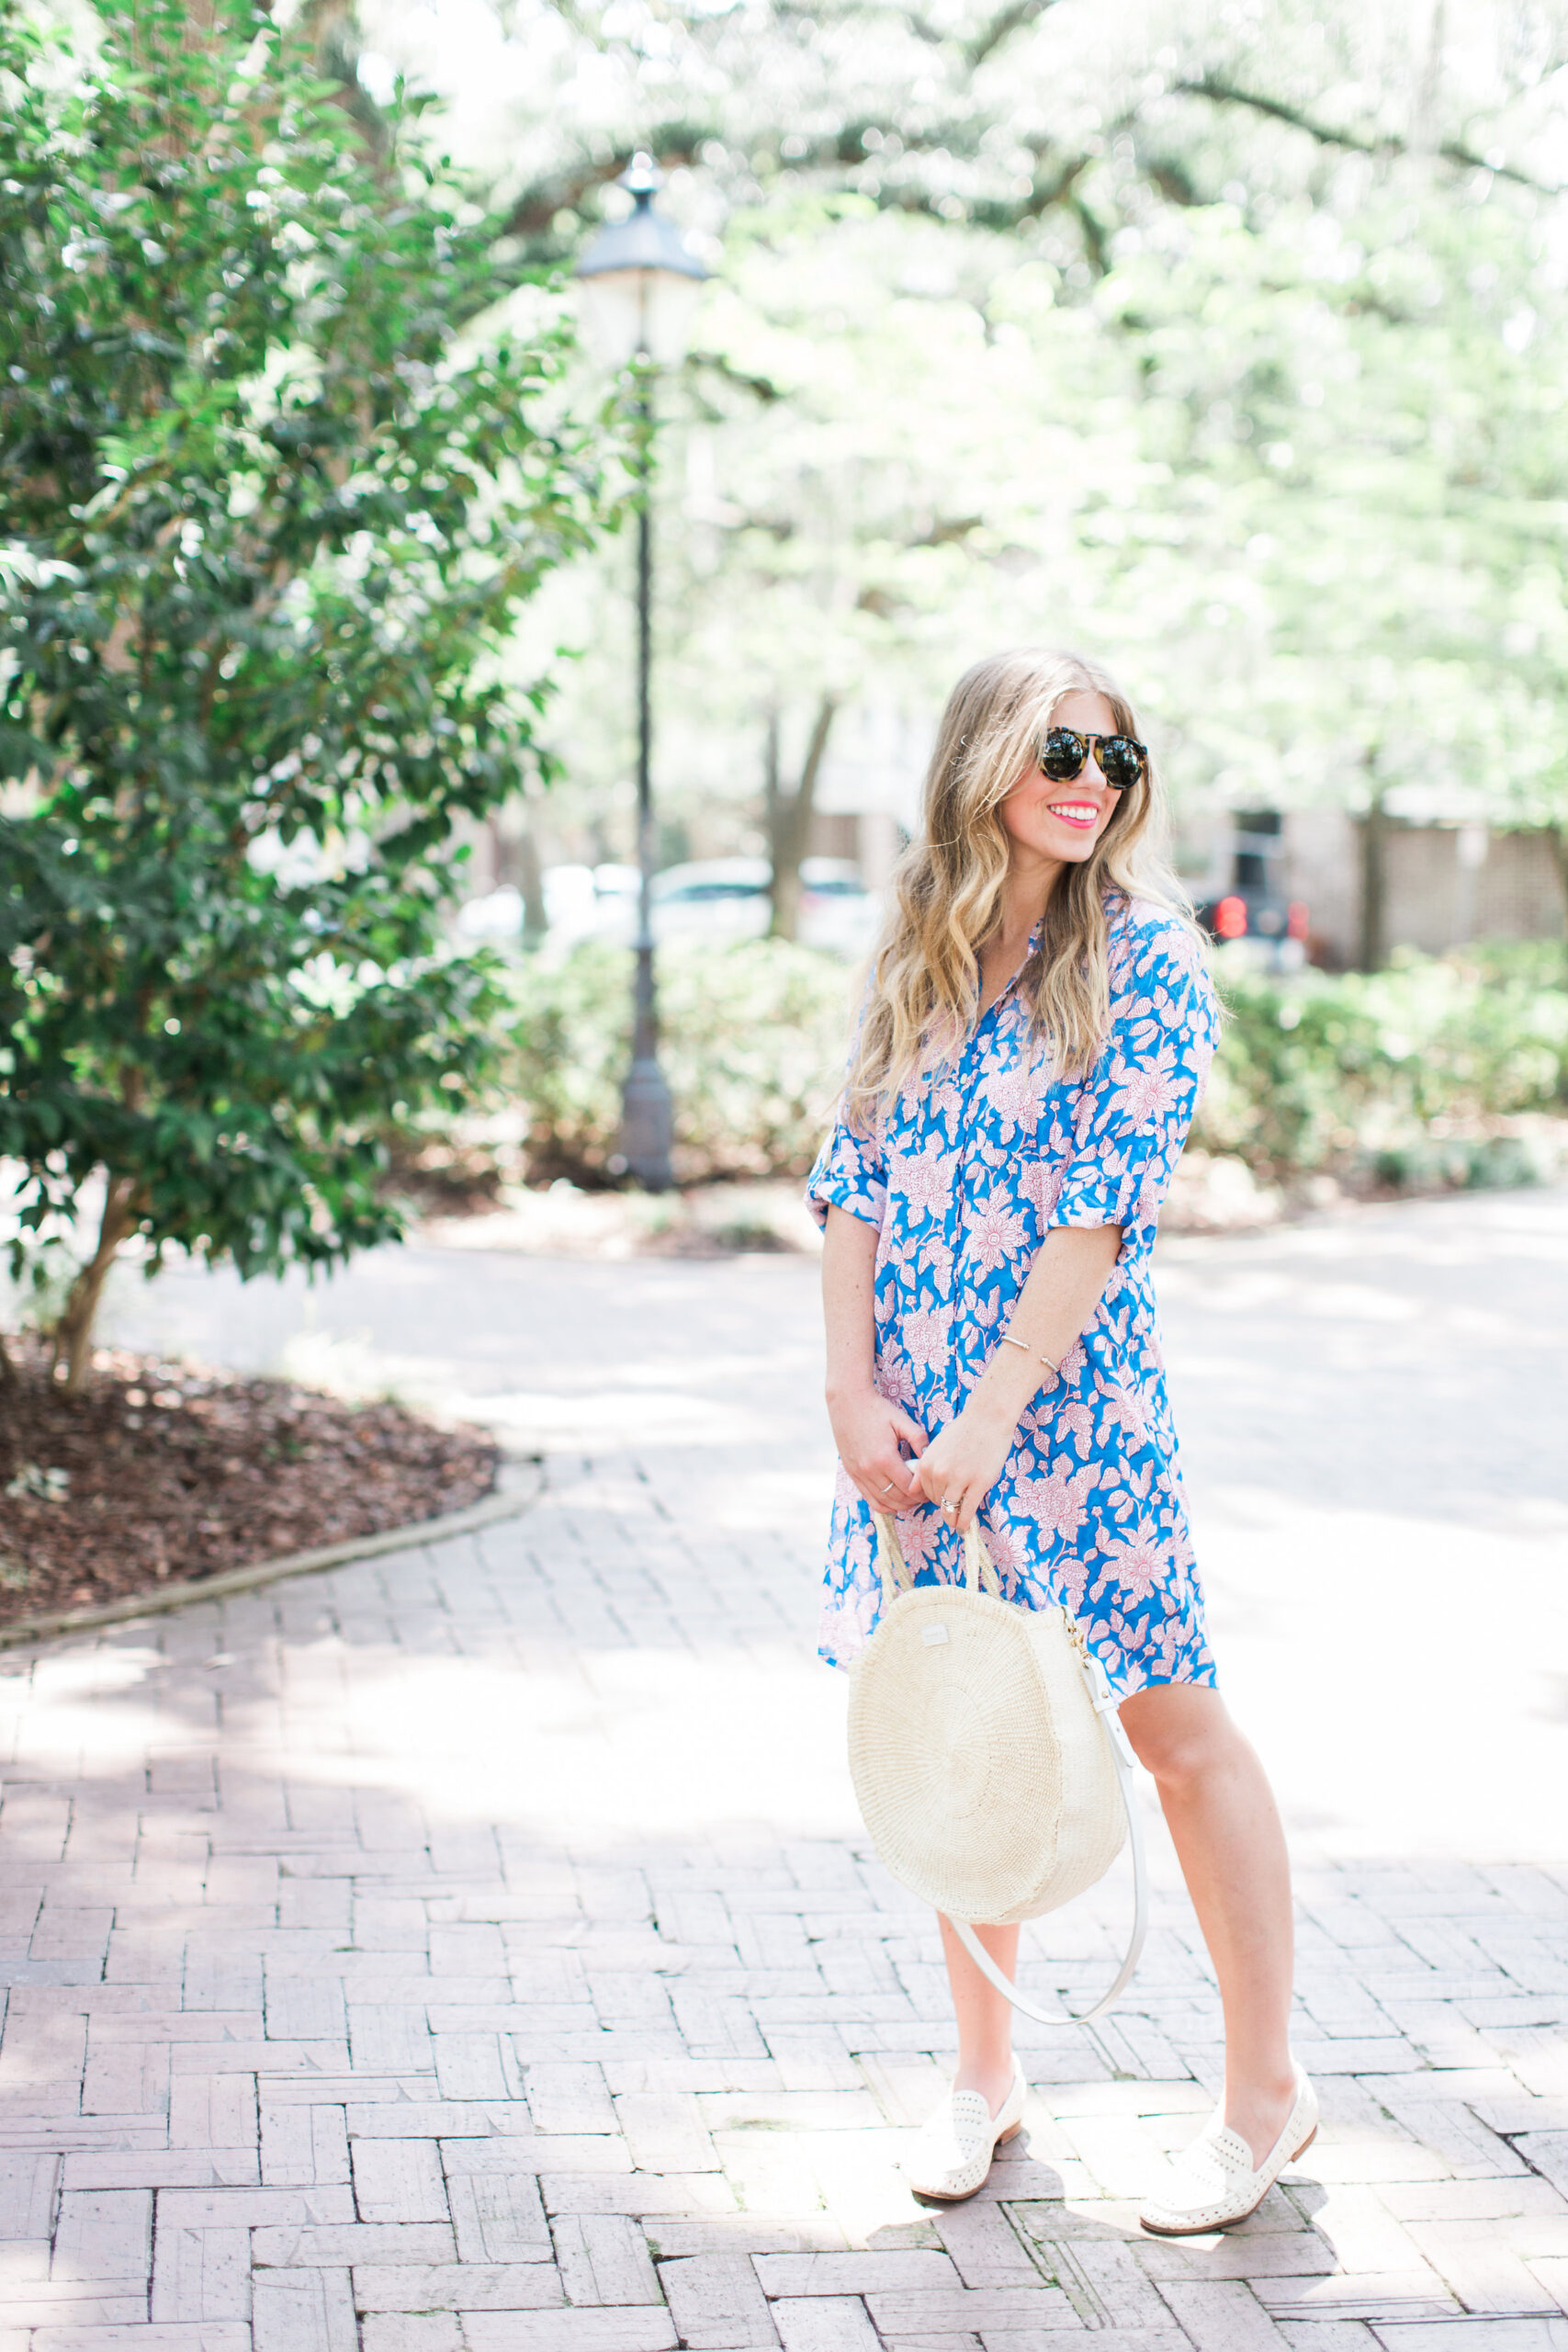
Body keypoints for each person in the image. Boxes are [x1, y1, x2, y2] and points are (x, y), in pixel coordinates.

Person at [806, 647, 1315, 2234]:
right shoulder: (924, 943)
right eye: (1065, 752)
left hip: (1067, 1417)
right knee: (966, 1721)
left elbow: (1105, 1203)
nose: (1095, 781)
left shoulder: (1150, 959)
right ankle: (985, 2074)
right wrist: (851, 1394)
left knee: (1173, 1732)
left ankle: (1264, 2097)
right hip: (908, 1412)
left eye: (1118, 760)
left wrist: (990, 1413)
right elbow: (854, 1172)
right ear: (986, 765)